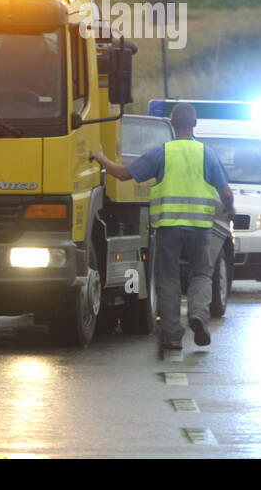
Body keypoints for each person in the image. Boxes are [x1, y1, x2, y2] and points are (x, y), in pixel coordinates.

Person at [91, 102, 234, 352]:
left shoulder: (162, 153)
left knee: (167, 279)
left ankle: (172, 336)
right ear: (195, 124)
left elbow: (124, 174)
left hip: (168, 227)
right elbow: (226, 192)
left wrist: (101, 159)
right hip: (200, 228)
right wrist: (230, 210)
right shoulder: (207, 154)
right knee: (200, 273)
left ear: (171, 122)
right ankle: (198, 315)